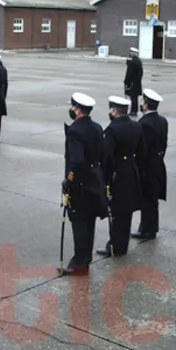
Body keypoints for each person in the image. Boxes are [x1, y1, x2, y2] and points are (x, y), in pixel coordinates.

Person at [61, 92, 107, 276]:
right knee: (89, 222)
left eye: (73, 107)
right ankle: (85, 259)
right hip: (94, 180)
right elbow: (102, 154)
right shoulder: (97, 127)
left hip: (80, 184)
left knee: (79, 223)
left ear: (78, 110)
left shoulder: (75, 130)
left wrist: (69, 181)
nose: (71, 110)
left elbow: (77, 161)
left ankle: (79, 263)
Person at [99, 96, 143, 257]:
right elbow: (141, 149)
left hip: (117, 173)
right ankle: (122, 245)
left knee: (116, 212)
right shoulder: (136, 126)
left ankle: (115, 246)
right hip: (131, 169)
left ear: (115, 111)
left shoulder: (112, 129)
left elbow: (107, 156)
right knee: (127, 211)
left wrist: (105, 179)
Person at [133, 89, 167, 240]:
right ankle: (150, 228)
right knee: (152, 199)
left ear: (146, 105)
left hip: (148, 167)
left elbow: (142, 149)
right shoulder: (162, 121)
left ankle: (147, 229)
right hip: (158, 163)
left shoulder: (145, 123)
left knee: (147, 199)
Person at [124, 47, 143, 116]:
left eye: (131, 52)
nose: (130, 53)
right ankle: (134, 110)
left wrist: (126, 81)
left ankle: (133, 111)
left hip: (133, 83)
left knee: (133, 97)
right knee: (134, 97)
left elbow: (130, 73)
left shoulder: (134, 62)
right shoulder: (138, 61)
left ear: (134, 53)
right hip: (137, 82)